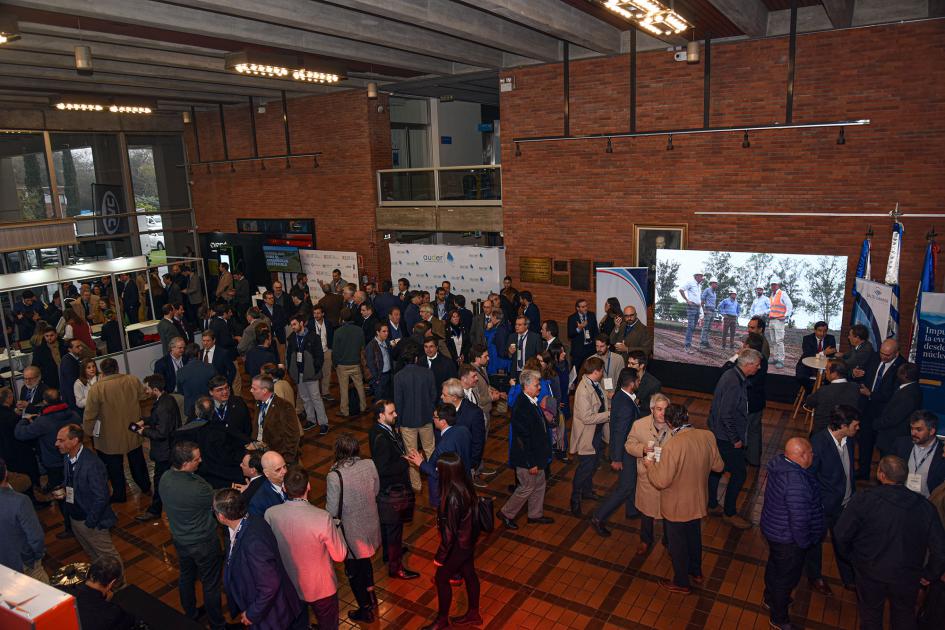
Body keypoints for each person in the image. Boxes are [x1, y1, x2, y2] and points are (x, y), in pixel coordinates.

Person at [834, 455, 945, 630]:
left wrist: (853, 559)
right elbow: (939, 549)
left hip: (869, 571)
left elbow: (840, 534)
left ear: (881, 474)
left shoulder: (864, 499)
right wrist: (929, 574)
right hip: (907, 576)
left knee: (870, 615)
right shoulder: (925, 507)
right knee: (903, 617)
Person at [644, 403, 724, 594]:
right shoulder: (707, 436)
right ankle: (696, 572)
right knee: (694, 538)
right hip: (698, 501)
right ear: (687, 416)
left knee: (677, 545)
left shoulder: (673, 445)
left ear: (669, 423)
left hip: (676, 505)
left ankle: (681, 582)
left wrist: (649, 465)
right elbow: (719, 467)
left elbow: (661, 481)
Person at [265, 466, 347, 630]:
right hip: (321, 587)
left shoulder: (270, 514)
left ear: (284, 488)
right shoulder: (322, 517)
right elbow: (339, 555)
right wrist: (337, 528)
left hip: (290, 584)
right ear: (308, 486)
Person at [214, 487, 302, 629]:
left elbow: (269, 586)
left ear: (221, 517)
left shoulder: (253, 543)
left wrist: (252, 614)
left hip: (271, 615)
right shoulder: (251, 521)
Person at [760, 438, 825, 630]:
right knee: (786, 578)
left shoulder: (779, 465)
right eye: (811, 452)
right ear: (802, 455)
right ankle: (779, 618)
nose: (813, 455)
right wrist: (805, 542)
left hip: (774, 529)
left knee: (774, 567)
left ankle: (770, 598)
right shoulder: (796, 481)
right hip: (788, 538)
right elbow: (799, 519)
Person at [159, 441, 225, 629]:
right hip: (203, 542)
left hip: (180, 540)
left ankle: (191, 612)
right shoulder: (198, 487)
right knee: (211, 583)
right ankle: (217, 623)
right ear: (186, 463)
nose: (200, 461)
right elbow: (216, 500)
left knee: (186, 577)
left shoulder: (165, 478)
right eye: (197, 459)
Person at [422, 452, 482, 630]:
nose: (437, 472)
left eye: (439, 469)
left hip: (458, 546)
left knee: (441, 579)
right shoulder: (465, 485)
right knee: (469, 573)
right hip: (468, 540)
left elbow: (449, 533)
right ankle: (473, 614)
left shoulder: (452, 496)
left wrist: (440, 557)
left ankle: (441, 620)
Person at [326, 433, 382, 623]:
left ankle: (365, 610)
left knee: (353, 571)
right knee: (366, 562)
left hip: (351, 532)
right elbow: (376, 490)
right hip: (371, 523)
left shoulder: (334, 476)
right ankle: (372, 595)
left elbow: (332, 510)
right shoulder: (369, 464)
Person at [806, 404, 860, 595]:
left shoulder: (849, 440)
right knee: (815, 543)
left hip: (844, 505)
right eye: (855, 425)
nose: (858, 428)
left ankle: (849, 578)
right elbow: (809, 477)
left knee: (844, 541)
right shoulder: (818, 444)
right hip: (823, 507)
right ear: (843, 425)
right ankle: (815, 577)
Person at [707, 348, 761, 530]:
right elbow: (726, 414)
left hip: (719, 433)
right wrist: (736, 439)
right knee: (739, 474)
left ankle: (712, 503)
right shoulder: (733, 382)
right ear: (748, 364)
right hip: (727, 438)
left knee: (717, 469)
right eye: (757, 365)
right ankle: (729, 513)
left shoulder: (731, 374)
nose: (759, 368)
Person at [83, 358, 151, 502]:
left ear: (102, 371)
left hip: (109, 434)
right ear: (117, 368)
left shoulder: (97, 389)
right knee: (137, 460)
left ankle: (120, 495)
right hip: (133, 428)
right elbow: (144, 395)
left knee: (114, 466)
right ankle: (145, 486)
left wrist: (88, 431)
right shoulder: (132, 380)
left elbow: (90, 414)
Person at [55, 424, 122, 567]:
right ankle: (103, 583)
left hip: (91, 521)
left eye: (61, 440)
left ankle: (119, 585)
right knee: (93, 554)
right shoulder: (67, 457)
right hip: (75, 517)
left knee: (109, 557)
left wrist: (90, 522)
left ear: (74, 441)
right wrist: (64, 489)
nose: (57, 444)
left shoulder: (92, 464)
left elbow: (102, 497)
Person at [14, 388, 79, 534]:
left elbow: (21, 434)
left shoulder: (43, 421)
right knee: (77, 489)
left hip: (54, 464)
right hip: (74, 458)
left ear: (45, 402)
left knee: (61, 496)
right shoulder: (73, 415)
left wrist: (24, 420)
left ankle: (70, 527)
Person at [368, 399, 420, 579]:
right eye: (391, 413)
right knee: (394, 528)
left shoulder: (380, 429)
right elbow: (383, 469)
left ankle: (388, 554)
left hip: (389, 491)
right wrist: (404, 461)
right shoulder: (381, 439)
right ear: (381, 416)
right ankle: (395, 567)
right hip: (392, 492)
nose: (396, 415)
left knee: (387, 527)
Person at [498, 369, 554, 530]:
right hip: (527, 459)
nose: (539, 388)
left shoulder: (530, 400)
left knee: (540, 484)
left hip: (537, 456)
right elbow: (522, 439)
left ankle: (535, 514)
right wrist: (531, 463)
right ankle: (506, 513)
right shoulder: (522, 406)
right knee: (527, 487)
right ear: (527, 386)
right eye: (537, 385)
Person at [591, 367, 641, 537]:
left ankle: (632, 510)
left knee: (632, 480)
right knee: (625, 487)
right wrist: (617, 458)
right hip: (625, 452)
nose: (639, 382)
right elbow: (620, 432)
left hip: (624, 450)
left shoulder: (620, 396)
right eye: (638, 380)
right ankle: (599, 517)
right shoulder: (626, 405)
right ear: (632, 383)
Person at [625, 393, 672, 555]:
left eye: (665, 409)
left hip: (667, 478)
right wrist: (642, 449)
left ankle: (669, 540)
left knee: (669, 512)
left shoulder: (674, 426)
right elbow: (629, 444)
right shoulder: (639, 425)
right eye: (659, 409)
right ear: (652, 409)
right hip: (647, 476)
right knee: (647, 512)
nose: (662, 413)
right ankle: (645, 540)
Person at [132, 374, 181, 522]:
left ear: (155, 389)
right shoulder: (166, 399)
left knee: (159, 480)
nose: (145, 392)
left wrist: (143, 431)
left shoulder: (162, 407)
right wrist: (144, 421)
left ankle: (155, 510)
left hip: (164, 451)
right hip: (169, 448)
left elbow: (161, 433)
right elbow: (157, 420)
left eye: (147, 389)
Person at [405, 403, 472, 507]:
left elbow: (439, 474)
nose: (433, 419)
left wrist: (421, 463)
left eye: (435, 417)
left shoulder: (444, 446)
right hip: (464, 482)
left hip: (447, 491)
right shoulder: (464, 430)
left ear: (443, 422)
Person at [857, 338, 904, 479]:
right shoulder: (874, 356)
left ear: (896, 354)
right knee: (865, 443)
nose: (883, 357)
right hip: (866, 410)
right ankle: (863, 471)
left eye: (887, 355)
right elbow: (864, 373)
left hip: (885, 414)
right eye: (882, 353)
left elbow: (893, 395)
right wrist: (856, 373)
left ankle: (885, 476)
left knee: (884, 447)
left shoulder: (902, 367)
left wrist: (871, 394)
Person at [570, 356, 611, 516]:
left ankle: (587, 492)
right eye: (601, 371)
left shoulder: (594, 383)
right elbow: (587, 418)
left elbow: (599, 400)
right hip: (587, 436)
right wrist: (609, 414)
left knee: (592, 465)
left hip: (597, 432)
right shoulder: (582, 390)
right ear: (595, 372)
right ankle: (574, 499)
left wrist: (607, 397)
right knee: (584, 469)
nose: (602, 374)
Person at [393, 345, 437, 494]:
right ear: (417, 359)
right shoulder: (428, 373)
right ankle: (434, 477)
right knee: (430, 450)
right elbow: (433, 396)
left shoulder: (398, 376)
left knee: (412, 453)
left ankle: (416, 485)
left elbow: (398, 402)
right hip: (426, 419)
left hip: (407, 421)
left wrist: (397, 423)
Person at [724, 333, 767, 467]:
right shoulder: (762, 360)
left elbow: (724, 370)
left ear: (746, 347)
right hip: (758, 403)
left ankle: (739, 461)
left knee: (742, 431)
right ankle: (754, 461)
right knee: (755, 432)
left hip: (746, 405)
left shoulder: (744, 364)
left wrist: (737, 355)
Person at [0, 457, 46, 580]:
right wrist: (33, 559)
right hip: (23, 564)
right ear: (6, 473)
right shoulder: (20, 501)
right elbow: (36, 538)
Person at [63, 556, 136, 630]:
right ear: (112, 583)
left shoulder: (63, 591)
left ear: (89, 572)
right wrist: (106, 604)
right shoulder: (113, 613)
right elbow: (130, 621)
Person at [892, 410, 945, 497]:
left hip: (928, 502)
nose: (913, 433)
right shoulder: (901, 444)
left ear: (931, 431)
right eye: (912, 428)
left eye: (918, 429)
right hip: (902, 498)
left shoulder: (942, 452)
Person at [249, 374, 301, 464]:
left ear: (264, 390)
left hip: (278, 457)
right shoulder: (258, 403)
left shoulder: (284, 407)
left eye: (254, 388)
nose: (251, 390)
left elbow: (293, 436)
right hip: (262, 453)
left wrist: (285, 460)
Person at [874, 362, 923, 456]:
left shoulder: (908, 394)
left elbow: (894, 418)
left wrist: (875, 424)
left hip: (893, 439)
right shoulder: (911, 388)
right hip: (892, 437)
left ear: (904, 375)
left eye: (899, 372)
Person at [442, 378, 486, 482]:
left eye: (444, 395)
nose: (441, 397)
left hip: (464, 464)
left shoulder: (474, 413)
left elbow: (478, 442)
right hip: (446, 461)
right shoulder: (443, 407)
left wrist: (471, 464)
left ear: (454, 398)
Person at [803, 359, 863, 435]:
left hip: (823, 433)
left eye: (827, 370)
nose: (825, 372)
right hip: (845, 433)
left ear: (834, 374)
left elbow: (809, 402)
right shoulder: (855, 387)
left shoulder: (824, 391)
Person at [333, 308, 367, 417]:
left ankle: (345, 410)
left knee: (343, 389)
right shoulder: (359, 330)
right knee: (360, 386)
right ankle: (363, 406)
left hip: (342, 365)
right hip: (356, 363)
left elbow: (335, 351)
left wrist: (335, 364)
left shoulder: (338, 332)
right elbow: (363, 347)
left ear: (342, 318)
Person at [175, 343, 216, 418]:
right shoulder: (210, 368)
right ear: (199, 354)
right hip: (208, 405)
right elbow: (215, 387)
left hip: (190, 408)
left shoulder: (180, 372)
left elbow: (181, 391)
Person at [795, 320, 837, 385]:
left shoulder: (831, 338)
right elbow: (808, 354)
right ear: (815, 330)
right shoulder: (807, 339)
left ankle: (820, 392)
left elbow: (832, 354)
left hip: (824, 366)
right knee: (801, 376)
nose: (822, 333)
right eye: (820, 331)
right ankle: (812, 391)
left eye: (825, 331)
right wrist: (823, 353)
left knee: (830, 379)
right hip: (808, 365)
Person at [248, 450, 288, 517]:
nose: (284, 471)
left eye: (284, 466)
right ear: (266, 473)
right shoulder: (258, 502)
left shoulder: (293, 481)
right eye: (278, 470)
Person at [766, 278, 792, 368]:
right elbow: (771, 308)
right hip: (772, 320)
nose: (773, 286)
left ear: (778, 285)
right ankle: (775, 358)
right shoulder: (772, 296)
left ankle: (780, 360)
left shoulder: (782, 294)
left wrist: (786, 316)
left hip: (779, 320)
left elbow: (789, 305)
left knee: (779, 341)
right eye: (772, 285)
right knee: (773, 341)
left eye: (774, 284)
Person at [567, 298, 599, 371]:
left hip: (591, 348)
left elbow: (596, 331)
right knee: (577, 370)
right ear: (577, 308)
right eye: (583, 307)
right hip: (579, 350)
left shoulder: (591, 315)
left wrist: (595, 343)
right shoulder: (572, 318)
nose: (585, 308)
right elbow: (570, 335)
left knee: (591, 369)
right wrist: (579, 329)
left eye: (586, 306)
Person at [366, 321, 394, 401]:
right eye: (384, 331)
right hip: (379, 377)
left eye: (387, 331)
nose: (386, 333)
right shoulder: (371, 346)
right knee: (380, 401)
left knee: (389, 399)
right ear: (378, 332)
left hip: (389, 375)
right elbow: (370, 364)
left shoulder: (387, 342)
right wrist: (376, 378)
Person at [679, 272, 704, 353]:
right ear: (696, 276)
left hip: (697, 307)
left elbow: (697, 297)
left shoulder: (699, 286)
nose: (702, 278)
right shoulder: (690, 282)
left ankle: (688, 344)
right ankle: (687, 346)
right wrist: (687, 300)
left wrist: (700, 308)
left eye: (702, 276)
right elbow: (681, 290)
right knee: (691, 326)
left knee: (693, 327)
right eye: (701, 276)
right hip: (691, 307)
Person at [59, 338, 85, 410]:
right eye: (77, 347)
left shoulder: (72, 359)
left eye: (81, 346)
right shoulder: (68, 361)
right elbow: (72, 381)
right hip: (72, 399)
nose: (81, 348)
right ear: (70, 349)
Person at [700, 280, 719, 349]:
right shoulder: (707, 290)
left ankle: (706, 342)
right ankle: (702, 343)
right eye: (715, 284)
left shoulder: (715, 293)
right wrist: (704, 310)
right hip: (707, 311)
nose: (717, 285)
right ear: (712, 284)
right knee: (705, 328)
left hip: (713, 311)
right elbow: (702, 300)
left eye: (717, 284)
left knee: (709, 328)